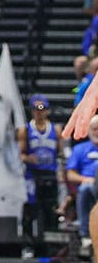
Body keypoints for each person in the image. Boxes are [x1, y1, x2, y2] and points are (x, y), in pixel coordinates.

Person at [18, 94, 62, 258]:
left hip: (49, 173)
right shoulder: (26, 130)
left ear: (47, 111)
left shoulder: (55, 130)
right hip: (32, 175)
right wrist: (29, 158)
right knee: (30, 211)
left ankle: (52, 247)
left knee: (50, 211)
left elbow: (61, 152)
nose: (40, 113)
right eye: (36, 109)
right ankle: (28, 245)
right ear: (32, 111)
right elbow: (21, 155)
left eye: (42, 109)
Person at [67, 115, 98, 255]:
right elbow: (70, 175)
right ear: (89, 130)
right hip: (89, 184)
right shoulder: (80, 149)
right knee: (86, 188)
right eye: (94, 129)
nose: (97, 132)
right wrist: (86, 179)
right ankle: (85, 233)